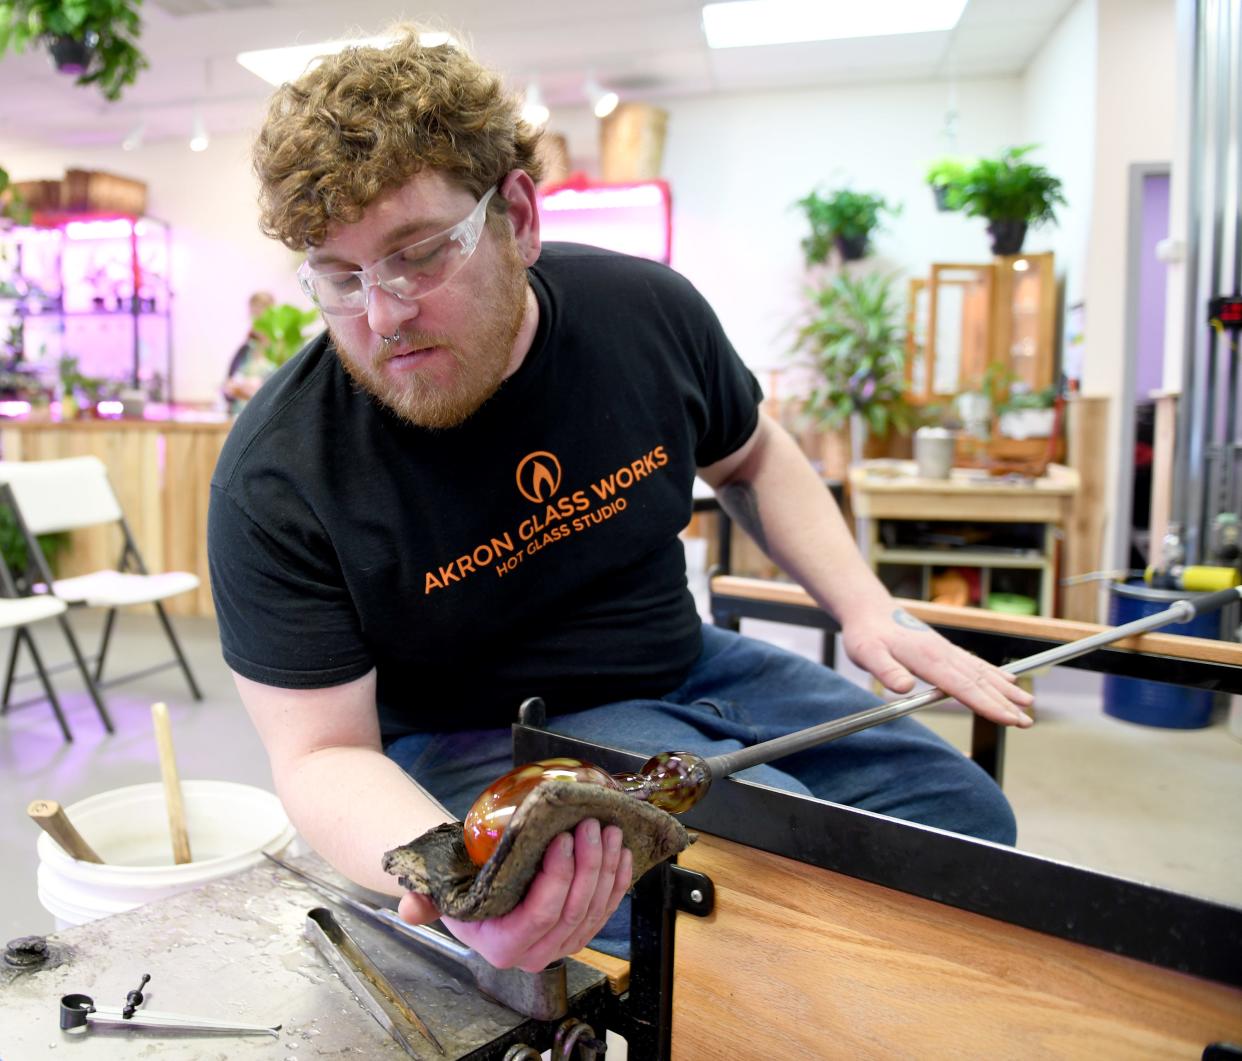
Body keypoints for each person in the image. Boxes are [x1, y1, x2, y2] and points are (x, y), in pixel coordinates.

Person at [208, 27, 1033, 974]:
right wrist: (463, 883)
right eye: (340, 277)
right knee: (762, 897)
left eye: (418, 254)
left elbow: (754, 456)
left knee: (965, 824)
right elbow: (320, 756)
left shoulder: (645, 314)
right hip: (482, 735)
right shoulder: (279, 475)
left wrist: (863, 606)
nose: (383, 313)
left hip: (686, 664)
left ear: (517, 215)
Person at [222, 291, 276, 412]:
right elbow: (228, 386)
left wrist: (255, 388)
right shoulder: (245, 350)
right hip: (240, 414)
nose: (256, 318)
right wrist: (231, 388)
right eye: (253, 312)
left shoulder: (280, 350)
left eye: (261, 311)